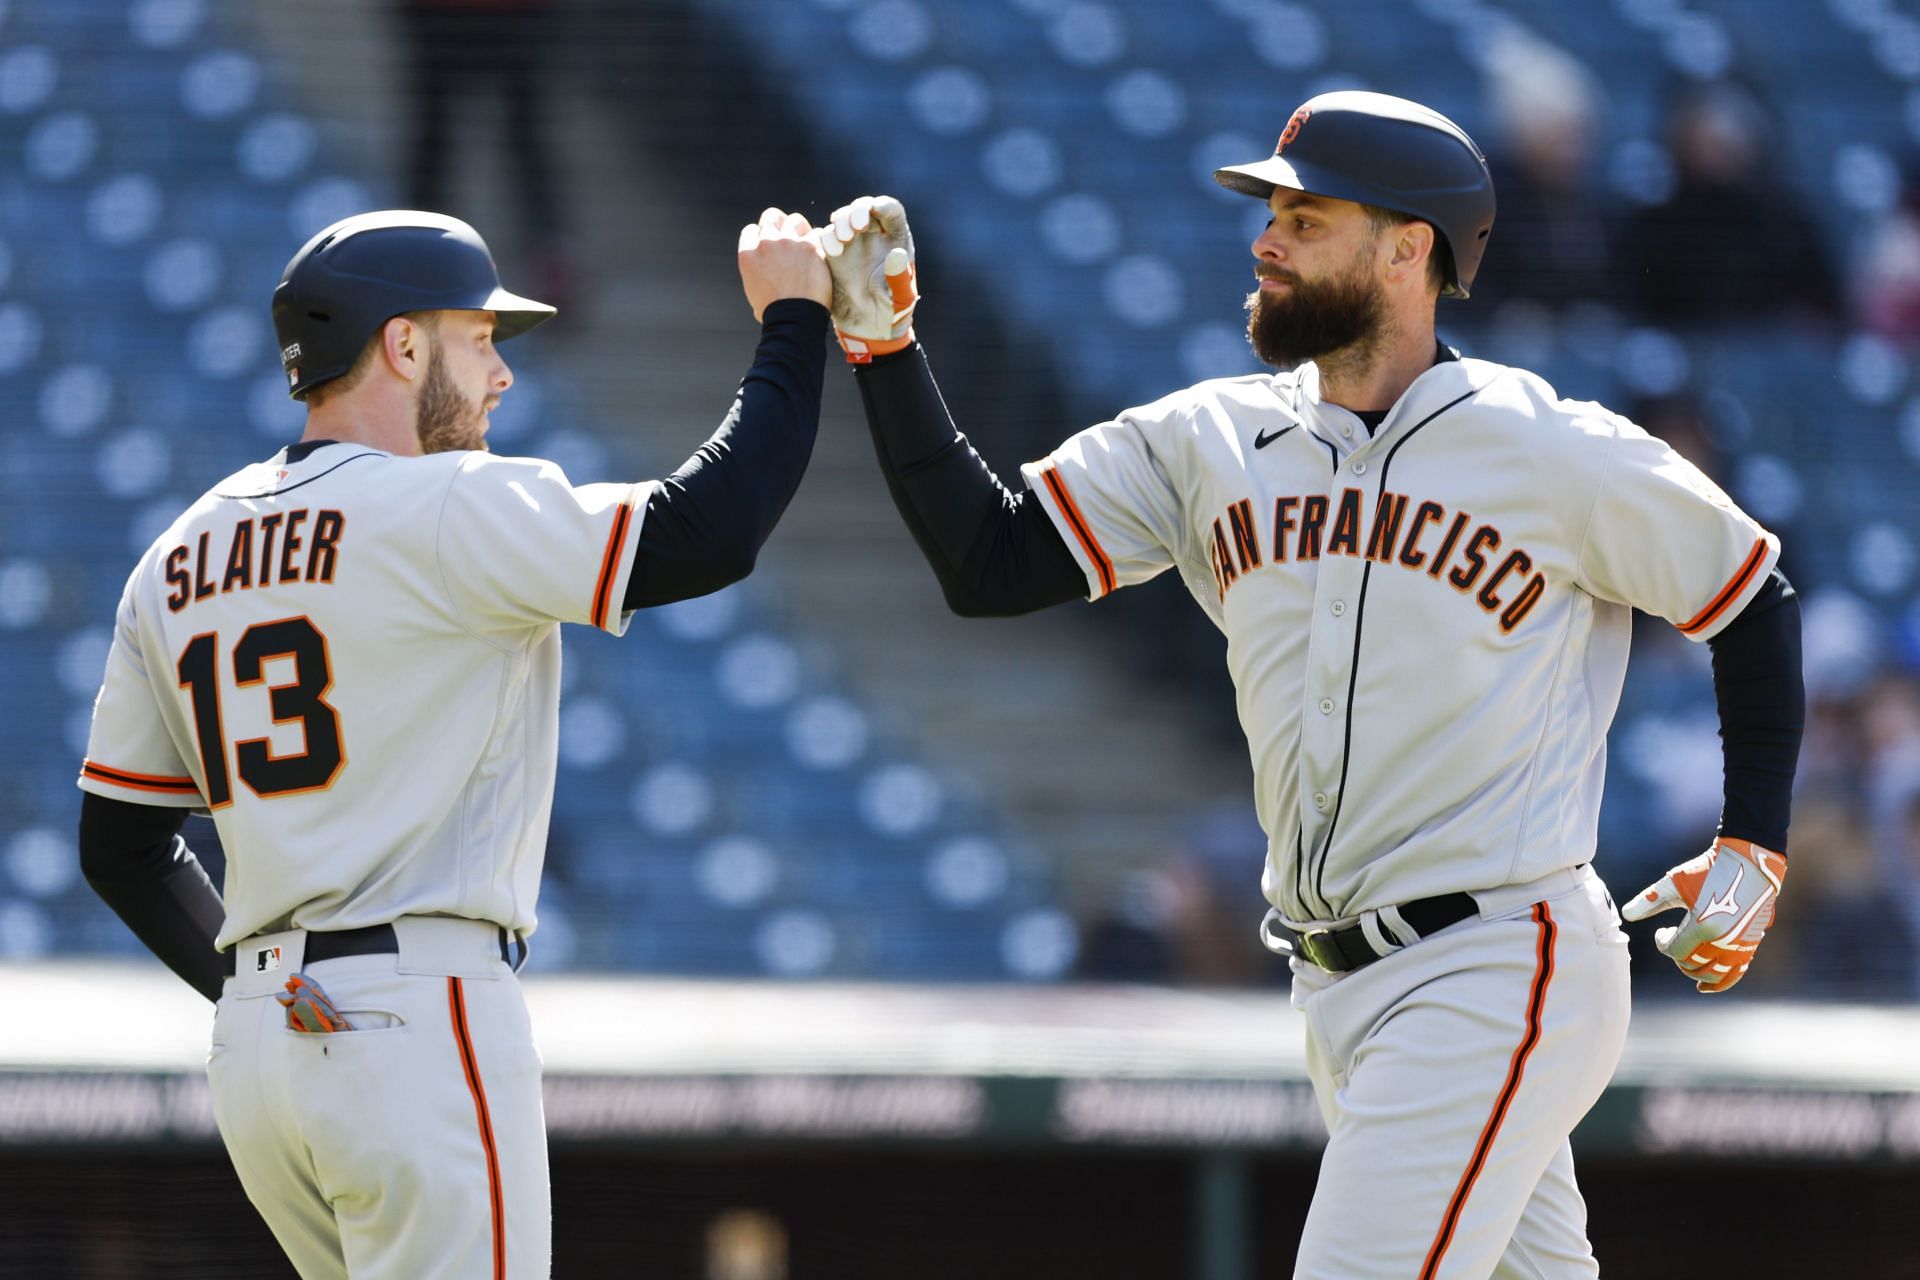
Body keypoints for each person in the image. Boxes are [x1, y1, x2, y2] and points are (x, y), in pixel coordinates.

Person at [805, 91, 1805, 1277]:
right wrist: (883, 349)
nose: (1265, 240)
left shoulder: (1549, 447)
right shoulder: (1210, 439)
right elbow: (992, 558)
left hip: (1492, 962)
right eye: (1271, 211)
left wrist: (1753, 849)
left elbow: (1747, 591)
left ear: (1407, 248)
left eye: (1305, 216)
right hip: (1336, 982)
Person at [75, 207, 831, 1279]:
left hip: (259, 1044)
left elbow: (121, 847)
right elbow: (711, 527)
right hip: (416, 1014)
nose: (500, 373)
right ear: (402, 343)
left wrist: (282, 995)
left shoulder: (180, 551)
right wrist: (795, 322)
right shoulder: (443, 503)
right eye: (480, 337)